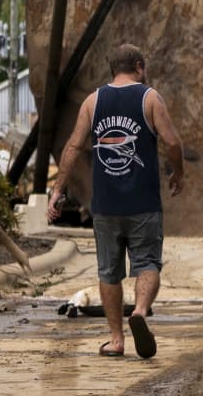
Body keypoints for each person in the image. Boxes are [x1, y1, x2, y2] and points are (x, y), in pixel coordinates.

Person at [48, 44, 184, 359]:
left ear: (113, 69)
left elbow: (72, 147)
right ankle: (139, 310)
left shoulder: (92, 102)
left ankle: (116, 340)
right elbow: (173, 142)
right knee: (147, 264)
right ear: (139, 66)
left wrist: (57, 191)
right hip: (144, 203)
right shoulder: (150, 98)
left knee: (109, 272)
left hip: (106, 206)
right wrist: (179, 173)